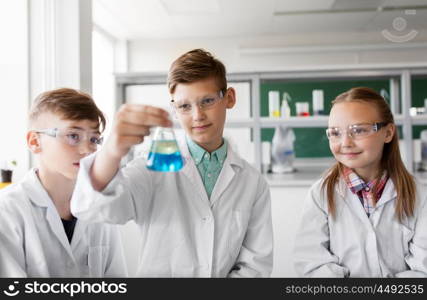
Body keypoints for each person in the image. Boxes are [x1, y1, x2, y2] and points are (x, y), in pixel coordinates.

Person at [70, 49, 273, 277]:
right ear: (175, 110)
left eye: (207, 101)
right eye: (185, 106)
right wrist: (111, 152)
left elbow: (255, 266)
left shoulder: (252, 182)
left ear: (229, 98)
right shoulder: (153, 168)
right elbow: (93, 209)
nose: (197, 115)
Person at [293, 87, 427, 277]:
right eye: (335, 132)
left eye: (358, 130)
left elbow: (422, 269)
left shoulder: (420, 196)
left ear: (388, 133)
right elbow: (312, 264)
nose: (345, 142)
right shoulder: (320, 194)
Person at [0, 88, 127, 277]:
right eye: (73, 136)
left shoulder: (100, 208)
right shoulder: (7, 210)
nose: (87, 149)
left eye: (94, 139)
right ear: (35, 141)